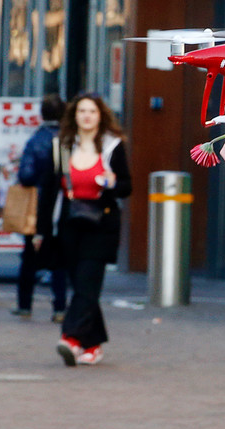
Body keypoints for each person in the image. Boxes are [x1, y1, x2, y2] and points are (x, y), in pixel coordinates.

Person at [51, 93, 130, 366]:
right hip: (71, 225)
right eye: (81, 111)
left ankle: (71, 339)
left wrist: (111, 182)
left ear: (100, 116)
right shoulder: (62, 146)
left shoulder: (112, 146)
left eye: (92, 111)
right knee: (83, 286)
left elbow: (127, 187)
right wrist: (40, 231)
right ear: (74, 115)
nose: (86, 116)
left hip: (102, 225)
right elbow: (49, 189)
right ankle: (93, 344)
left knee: (86, 284)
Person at [13, 93, 67, 322]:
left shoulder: (36, 140)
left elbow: (25, 175)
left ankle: (25, 305)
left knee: (29, 257)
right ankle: (60, 308)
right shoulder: (69, 139)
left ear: (41, 114)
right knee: (60, 260)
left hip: (37, 207)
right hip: (63, 206)